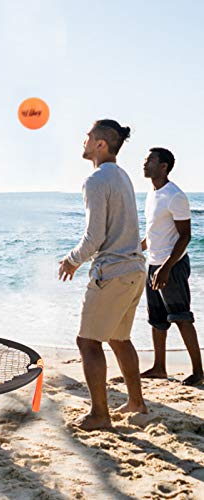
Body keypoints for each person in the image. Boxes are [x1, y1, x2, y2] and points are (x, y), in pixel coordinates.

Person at [58, 119, 147, 430]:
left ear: (100, 144)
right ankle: (136, 402)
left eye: (87, 137)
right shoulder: (122, 176)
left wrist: (72, 260)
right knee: (120, 338)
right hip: (135, 269)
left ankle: (100, 415)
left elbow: (94, 236)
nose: (82, 142)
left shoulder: (95, 180)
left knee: (88, 342)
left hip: (113, 272)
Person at [141, 147, 203, 386]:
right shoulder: (151, 193)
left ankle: (199, 371)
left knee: (181, 317)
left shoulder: (175, 196)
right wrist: (137, 250)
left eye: (150, 160)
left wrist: (166, 268)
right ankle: (159, 367)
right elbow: (153, 233)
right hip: (153, 264)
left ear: (164, 166)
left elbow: (185, 236)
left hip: (172, 266)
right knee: (156, 318)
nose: (144, 164)